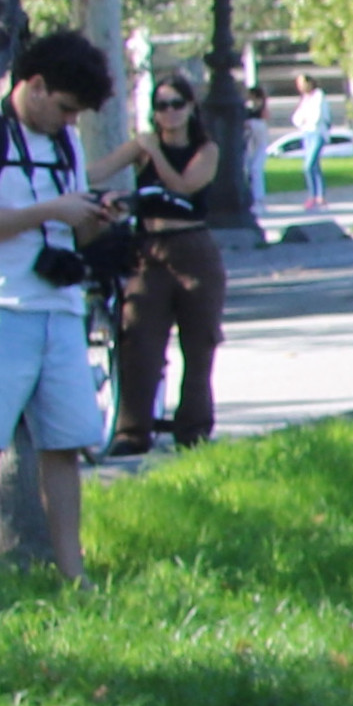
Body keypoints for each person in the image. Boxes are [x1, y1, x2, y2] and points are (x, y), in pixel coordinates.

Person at [0, 30, 120, 579]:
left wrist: (93, 219)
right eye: (64, 108)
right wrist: (50, 210)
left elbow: (70, 225)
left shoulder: (65, 143)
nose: (68, 122)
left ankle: (73, 573)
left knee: (64, 445)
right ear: (34, 86)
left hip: (59, 308)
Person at [100, 71, 230, 458]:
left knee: (200, 340)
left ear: (191, 108)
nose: (168, 113)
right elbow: (97, 170)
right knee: (139, 338)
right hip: (149, 248)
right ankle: (133, 430)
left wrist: (154, 152)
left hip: (193, 248)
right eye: (161, 106)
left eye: (176, 104)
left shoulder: (206, 149)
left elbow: (184, 186)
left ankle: (193, 429)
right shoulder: (142, 146)